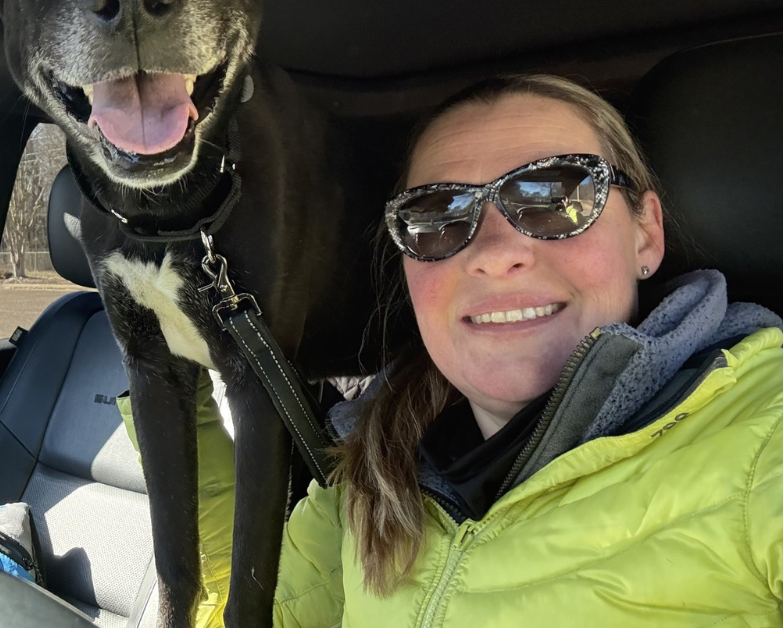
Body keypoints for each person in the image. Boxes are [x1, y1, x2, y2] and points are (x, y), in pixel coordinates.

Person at [120, 73, 783, 627]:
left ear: (646, 234)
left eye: (555, 195)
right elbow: (262, 611)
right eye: (438, 216)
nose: (494, 254)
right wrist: (167, 370)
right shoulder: (369, 475)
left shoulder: (761, 435)